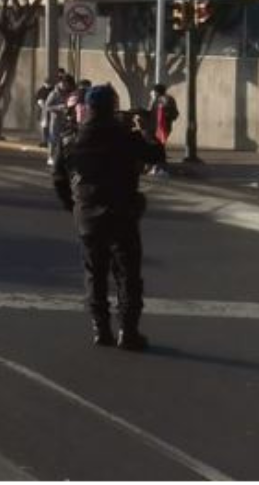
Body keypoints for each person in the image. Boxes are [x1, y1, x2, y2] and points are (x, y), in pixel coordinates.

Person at [53, 84, 163, 350]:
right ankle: (128, 331)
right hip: (122, 213)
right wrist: (146, 130)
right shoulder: (126, 137)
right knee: (127, 275)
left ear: (88, 108)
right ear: (113, 108)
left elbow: (58, 178)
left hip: (88, 216)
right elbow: (156, 155)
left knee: (95, 273)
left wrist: (73, 205)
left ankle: (101, 329)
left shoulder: (70, 139)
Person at [45, 74, 76, 166]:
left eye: (67, 84)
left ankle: (60, 157)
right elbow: (47, 107)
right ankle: (50, 156)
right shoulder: (54, 93)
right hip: (56, 120)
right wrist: (59, 107)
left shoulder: (69, 93)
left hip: (66, 120)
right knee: (54, 138)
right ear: (60, 83)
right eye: (63, 83)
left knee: (64, 139)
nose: (65, 86)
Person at [149, 83, 179, 177]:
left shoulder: (164, 100)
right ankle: (158, 167)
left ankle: (160, 168)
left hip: (161, 127)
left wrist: (164, 114)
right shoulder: (159, 99)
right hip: (159, 126)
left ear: (156, 91)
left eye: (153, 91)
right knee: (158, 146)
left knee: (158, 146)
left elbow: (171, 113)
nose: (152, 93)